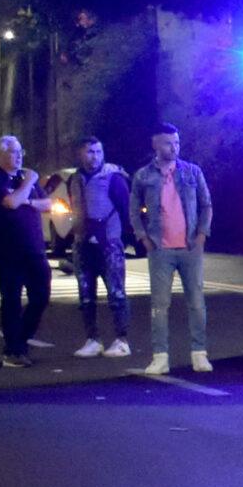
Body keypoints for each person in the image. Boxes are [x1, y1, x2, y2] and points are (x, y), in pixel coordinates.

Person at [129, 122, 215, 374]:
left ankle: (200, 353)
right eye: (168, 142)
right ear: (155, 144)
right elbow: (134, 210)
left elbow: (206, 204)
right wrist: (143, 237)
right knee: (159, 304)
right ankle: (160, 356)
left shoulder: (191, 172)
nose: (174, 147)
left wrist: (201, 235)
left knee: (196, 302)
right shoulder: (143, 176)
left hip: (189, 247)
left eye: (176, 142)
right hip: (160, 249)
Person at [0, 135, 52, 366]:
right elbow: (10, 202)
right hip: (8, 251)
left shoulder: (21, 177)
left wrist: (27, 200)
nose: (19, 156)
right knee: (11, 300)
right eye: (13, 152)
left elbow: (47, 204)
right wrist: (28, 183)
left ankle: (22, 338)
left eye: (20, 151)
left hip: (34, 248)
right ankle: (13, 350)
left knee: (41, 295)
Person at [65, 136, 132, 357]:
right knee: (85, 294)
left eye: (98, 151)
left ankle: (121, 339)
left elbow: (126, 209)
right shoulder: (74, 179)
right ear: (80, 154)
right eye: (89, 152)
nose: (94, 156)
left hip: (109, 242)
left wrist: (126, 238)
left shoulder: (113, 178)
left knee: (116, 293)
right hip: (82, 244)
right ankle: (92, 339)